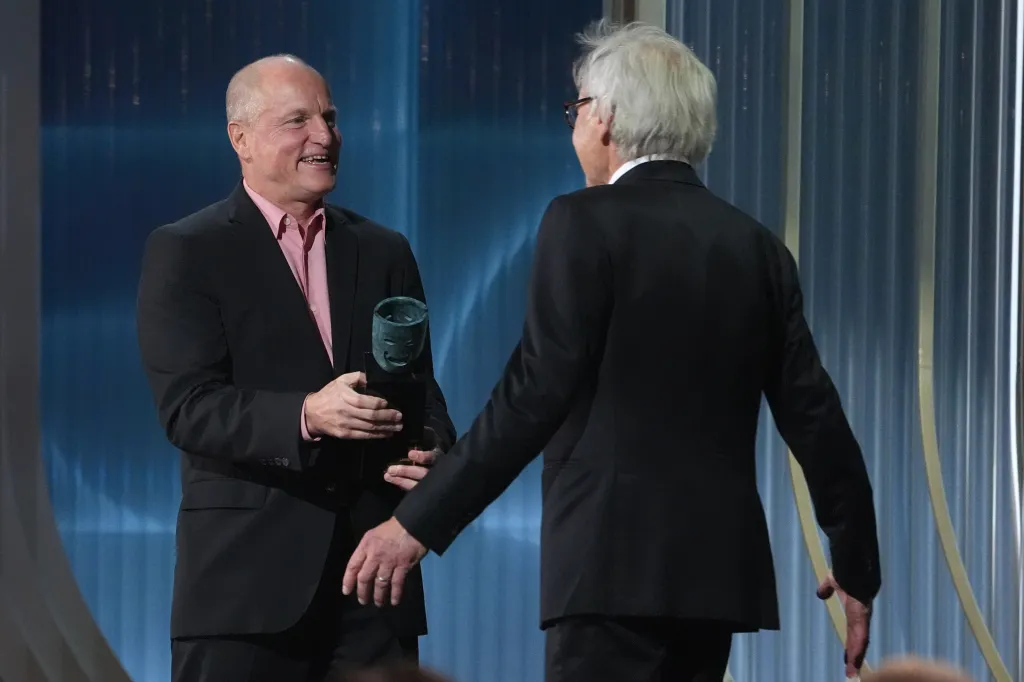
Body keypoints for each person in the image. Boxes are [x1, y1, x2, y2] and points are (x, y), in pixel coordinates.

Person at [341, 21, 881, 682]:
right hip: (713, 580)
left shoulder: (580, 219)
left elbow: (534, 392)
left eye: (576, 109)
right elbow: (816, 418)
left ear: (606, 119)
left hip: (607, 571)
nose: (573, 127)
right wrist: (856, 567)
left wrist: (416, 524)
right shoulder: (756, 246)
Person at [136, 54, 455, 682]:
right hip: (244, 592)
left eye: (330, 119)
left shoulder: (384, 249)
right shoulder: (188, 250)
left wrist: (434, 446)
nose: (324, 136)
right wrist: (307, 415)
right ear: (241, 138)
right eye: (297, 121)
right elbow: (189, 407)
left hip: (374, 583)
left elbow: (422, 390)